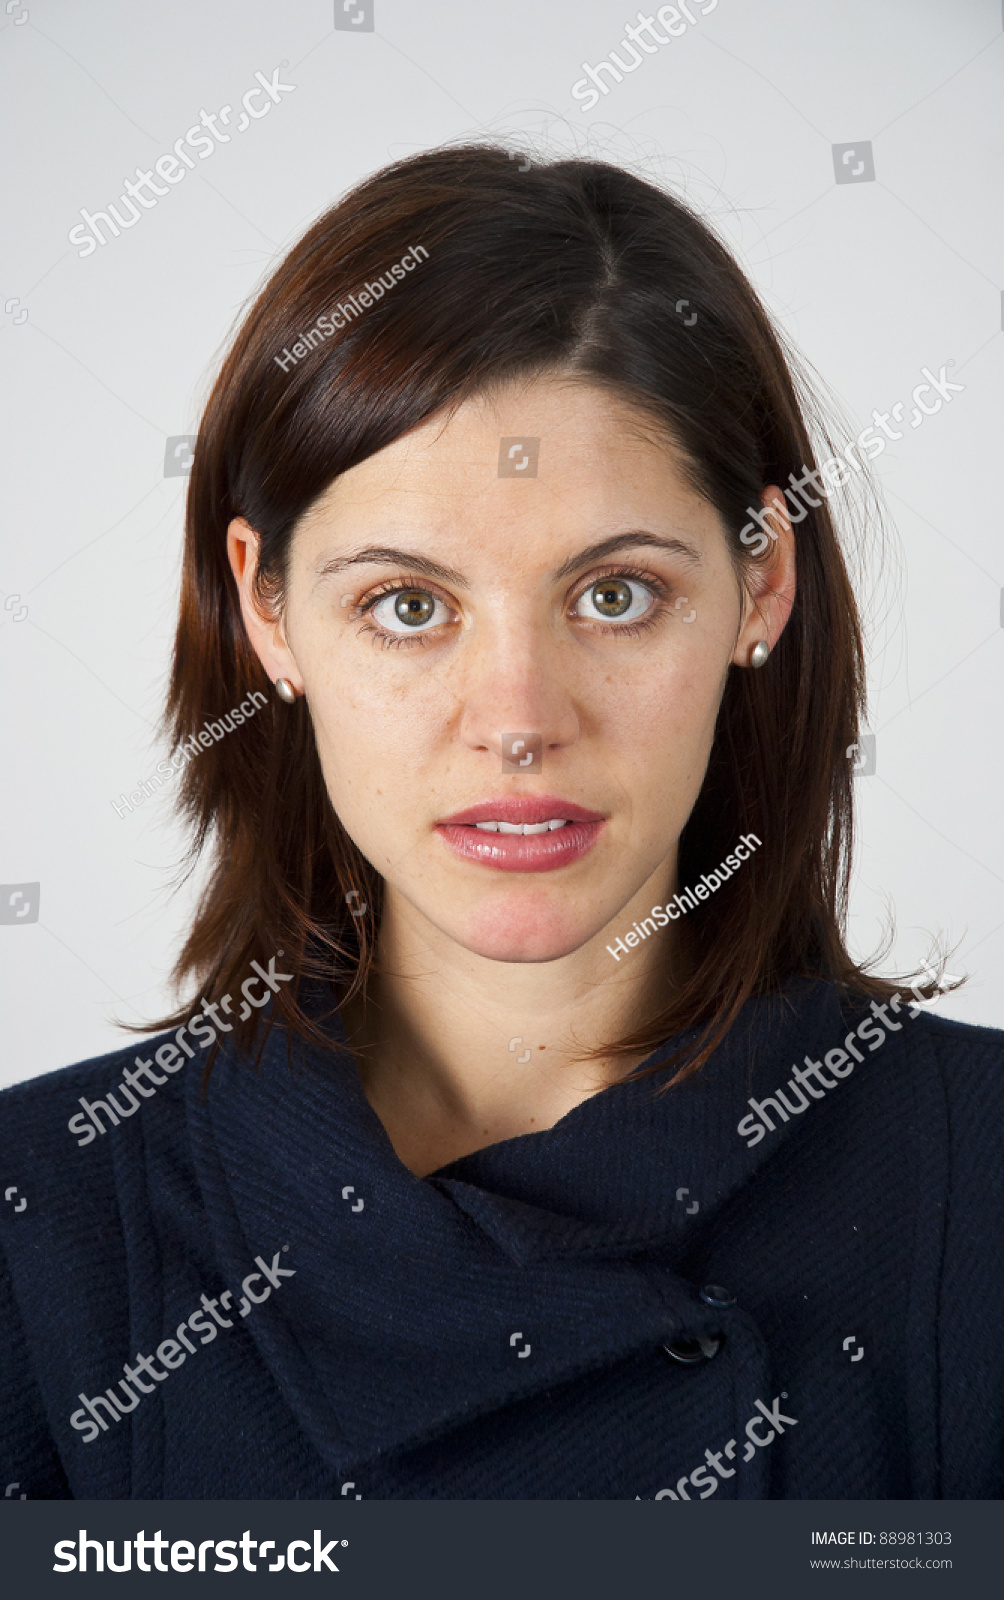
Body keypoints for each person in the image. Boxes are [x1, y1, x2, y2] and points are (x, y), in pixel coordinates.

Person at [1, 146, 1001, 1502]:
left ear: (759, 584)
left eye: (616, 596)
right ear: (269, 611)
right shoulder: (39, 1238)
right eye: (408, 606)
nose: (518, 717)